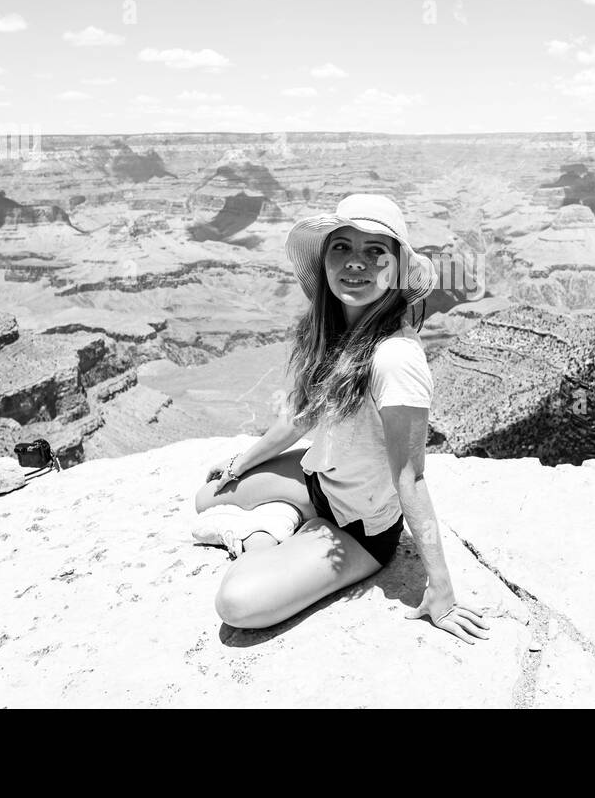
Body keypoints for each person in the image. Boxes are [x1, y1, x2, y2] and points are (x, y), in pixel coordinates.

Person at [192, 193, 490, 645]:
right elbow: (302, 415)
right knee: (207, 498)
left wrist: (441, 590)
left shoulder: (395, 359)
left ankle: (263, 535)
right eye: (342, 247)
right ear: (325, 259)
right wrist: (241, 462)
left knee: (237, 604)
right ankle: (286, 522)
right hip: (320, 483)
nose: (357, 262)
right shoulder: (339, 330)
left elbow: (410, 475)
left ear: (395, 269)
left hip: (359, 528)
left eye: (375, 252)